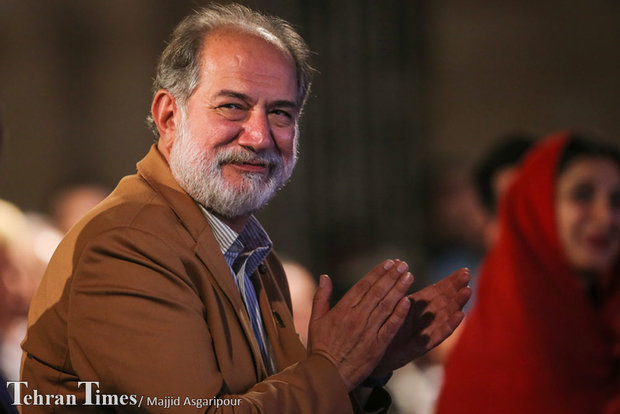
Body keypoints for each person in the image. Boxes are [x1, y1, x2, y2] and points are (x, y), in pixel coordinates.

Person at [19, 4, 471, 413]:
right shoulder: (126, 244)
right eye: (232, 106)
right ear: (168, 116)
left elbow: (271, 398)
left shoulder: (247, 247)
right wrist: (334, 367)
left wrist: (366, 365)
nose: (259, 136)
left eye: (281, 113)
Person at [437, 131, 620, 413]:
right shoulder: (496, 344)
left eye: (617, 201)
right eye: (582, 195)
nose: (606, 216)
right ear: (537, 209)